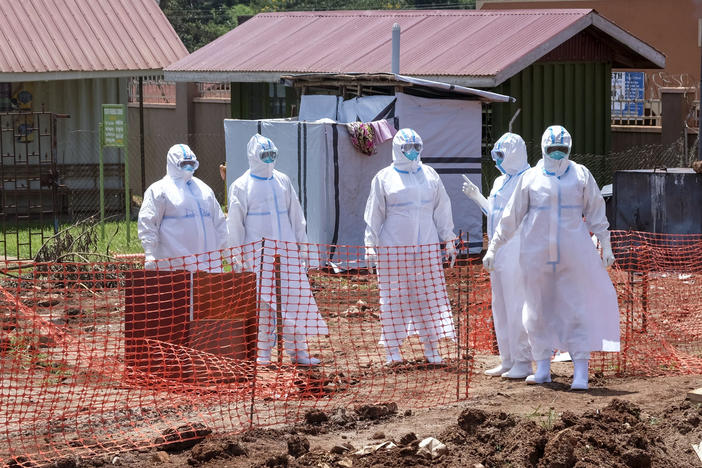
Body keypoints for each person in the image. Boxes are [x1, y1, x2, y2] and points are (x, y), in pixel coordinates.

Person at [482, 125, 619, 390]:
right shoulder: (531, 178)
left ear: (569, 148)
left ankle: (581, 370)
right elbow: (511, 217)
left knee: (575, 308)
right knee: (536, 309)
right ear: (543, 149)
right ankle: (542, 366)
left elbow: (596, 213)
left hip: (573, 257)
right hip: (536, 257)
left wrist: (606, 244)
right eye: (552, 150)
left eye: (562, 150)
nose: (557, 155)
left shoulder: (580, 175)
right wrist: (493, 247)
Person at [227, 133, 328, 366]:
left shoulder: (282, 181)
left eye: (273, 154)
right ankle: (263, 353)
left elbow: (297, 216)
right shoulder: (241, 186)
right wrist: (237, 255)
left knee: (295, 300)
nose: (269, 159)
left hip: (288, 253)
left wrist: (303, 249)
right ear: (254, 156)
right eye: (265, 155)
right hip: (258, 256)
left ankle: (299, 352)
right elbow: (234, 225)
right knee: (263, 304)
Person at [364, 128, 458, 365]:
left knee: (429, 296)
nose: (413, 152)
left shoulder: (430, 175)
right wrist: (370, 244)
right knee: (394, 298)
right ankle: (393, 350)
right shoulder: (384, 177)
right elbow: (374, 213)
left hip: (426, 248)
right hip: (394, 248)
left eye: (417, 147)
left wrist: (448, 239)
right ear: (397, 149)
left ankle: (431, 347)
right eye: (408, 148)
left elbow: (442, 208)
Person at [462, 132, 533, 379]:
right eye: (496, 155)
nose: (498, 160)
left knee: (517, 305)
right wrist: (477, 198)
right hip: (497, 249)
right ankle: (507, 359)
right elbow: (495, 213)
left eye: (502, 155)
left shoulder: (529, 179)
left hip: (518, 248)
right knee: (500, 305)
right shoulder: (500, 181)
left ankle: (523, 361)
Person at [138, 144, 228, 272]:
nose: (188, 167)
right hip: (175, 268)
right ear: (173, 163)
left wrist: (228, 252)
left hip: (209, 267)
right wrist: (149, 253)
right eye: (184, 163)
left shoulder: (204, 190)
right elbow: (148, 222)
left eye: (191, 163)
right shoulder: (159, 190)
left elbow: (219, 224)